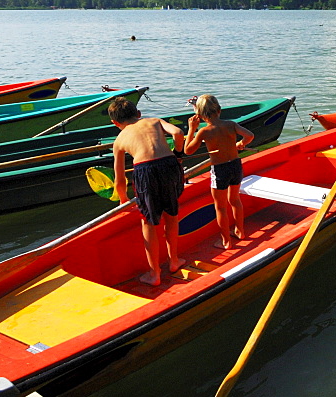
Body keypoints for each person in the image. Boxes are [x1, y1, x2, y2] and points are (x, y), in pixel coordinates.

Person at [109, 97, 187, 286]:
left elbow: (120, 179)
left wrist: (123, 199)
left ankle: (155, 274)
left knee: (148, 223)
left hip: (145, 170)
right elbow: (178, 132)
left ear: (115, 123)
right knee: (171, 214)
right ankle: (174, 261)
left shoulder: (119, 141)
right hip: (169, 165)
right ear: (138, 114)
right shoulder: (154, 121)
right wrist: (177, 154)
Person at [184, 94, 255, 249]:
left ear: (200, 115)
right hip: (235, 165)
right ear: (219, 110)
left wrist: (191, 130)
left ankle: (226, 241)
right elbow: (250, 135)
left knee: (220, 207)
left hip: (220, 169)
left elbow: (188, 150)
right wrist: (241, 143)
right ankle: (240, 231)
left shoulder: (204, 132)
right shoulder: (231, 124)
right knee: (235, 200)